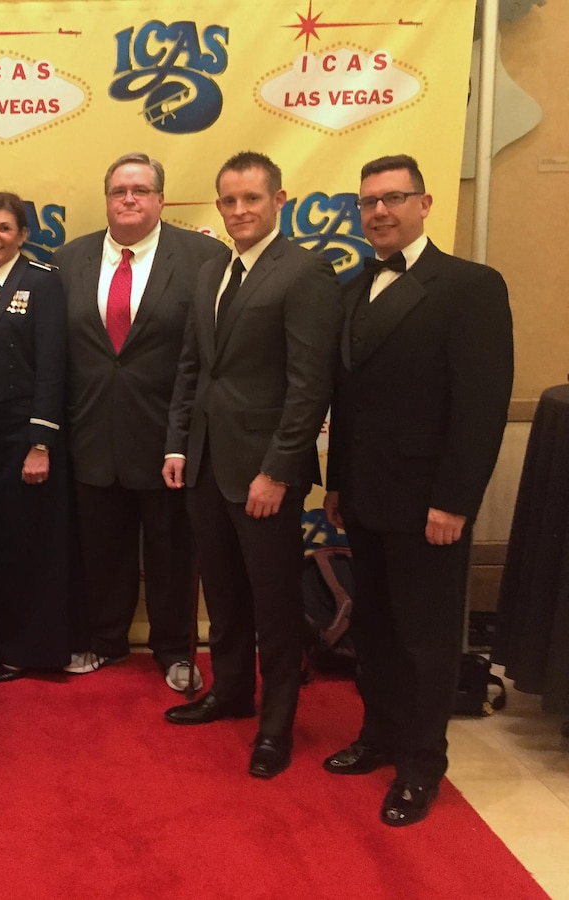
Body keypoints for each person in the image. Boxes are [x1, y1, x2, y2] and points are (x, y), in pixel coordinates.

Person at [322, 154, 513, 825]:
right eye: (368, 201)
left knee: (424, 638)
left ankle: (421, 765)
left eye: (393, 198)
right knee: (374, 628)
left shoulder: (470, 287)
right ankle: (377, 736)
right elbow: (349, 403)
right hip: (366, 497)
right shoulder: (350, 289)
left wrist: (455, 501)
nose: (379, 211)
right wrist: (337, 483)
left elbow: (481, 407)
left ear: (425, 204)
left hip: (429, 503)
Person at [161, 152, 341, 778]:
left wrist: (280, 470)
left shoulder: (306, 273)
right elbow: (193, 367)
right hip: (206, 464)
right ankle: (231, 692)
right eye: (229, 200)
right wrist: (178, 444)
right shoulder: (212, 268)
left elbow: (308, 386)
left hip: (264, 474)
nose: (239, 211)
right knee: (224, 594)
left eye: (252, 200)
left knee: (274, 603)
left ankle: (277, 725)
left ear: (279, 201)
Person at [52, 152, 226, 684]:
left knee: (175, 553)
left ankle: (175, 651)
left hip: (169, 440)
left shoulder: (204, 257)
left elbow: (212, 356)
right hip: (92, 435)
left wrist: (186, 437)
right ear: (106, 199)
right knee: (101, 550)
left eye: (141, 190)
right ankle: (106, 640)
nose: (129, 198)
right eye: (119, 190)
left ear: (159, 199)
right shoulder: (68, 260)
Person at [0, 191, 70, 681]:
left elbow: (52, 367)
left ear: (23, 235)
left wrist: (40, 442)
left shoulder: (42, 282)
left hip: (25, 429)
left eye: (5, 228)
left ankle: (27, 649)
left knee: (27, 540)